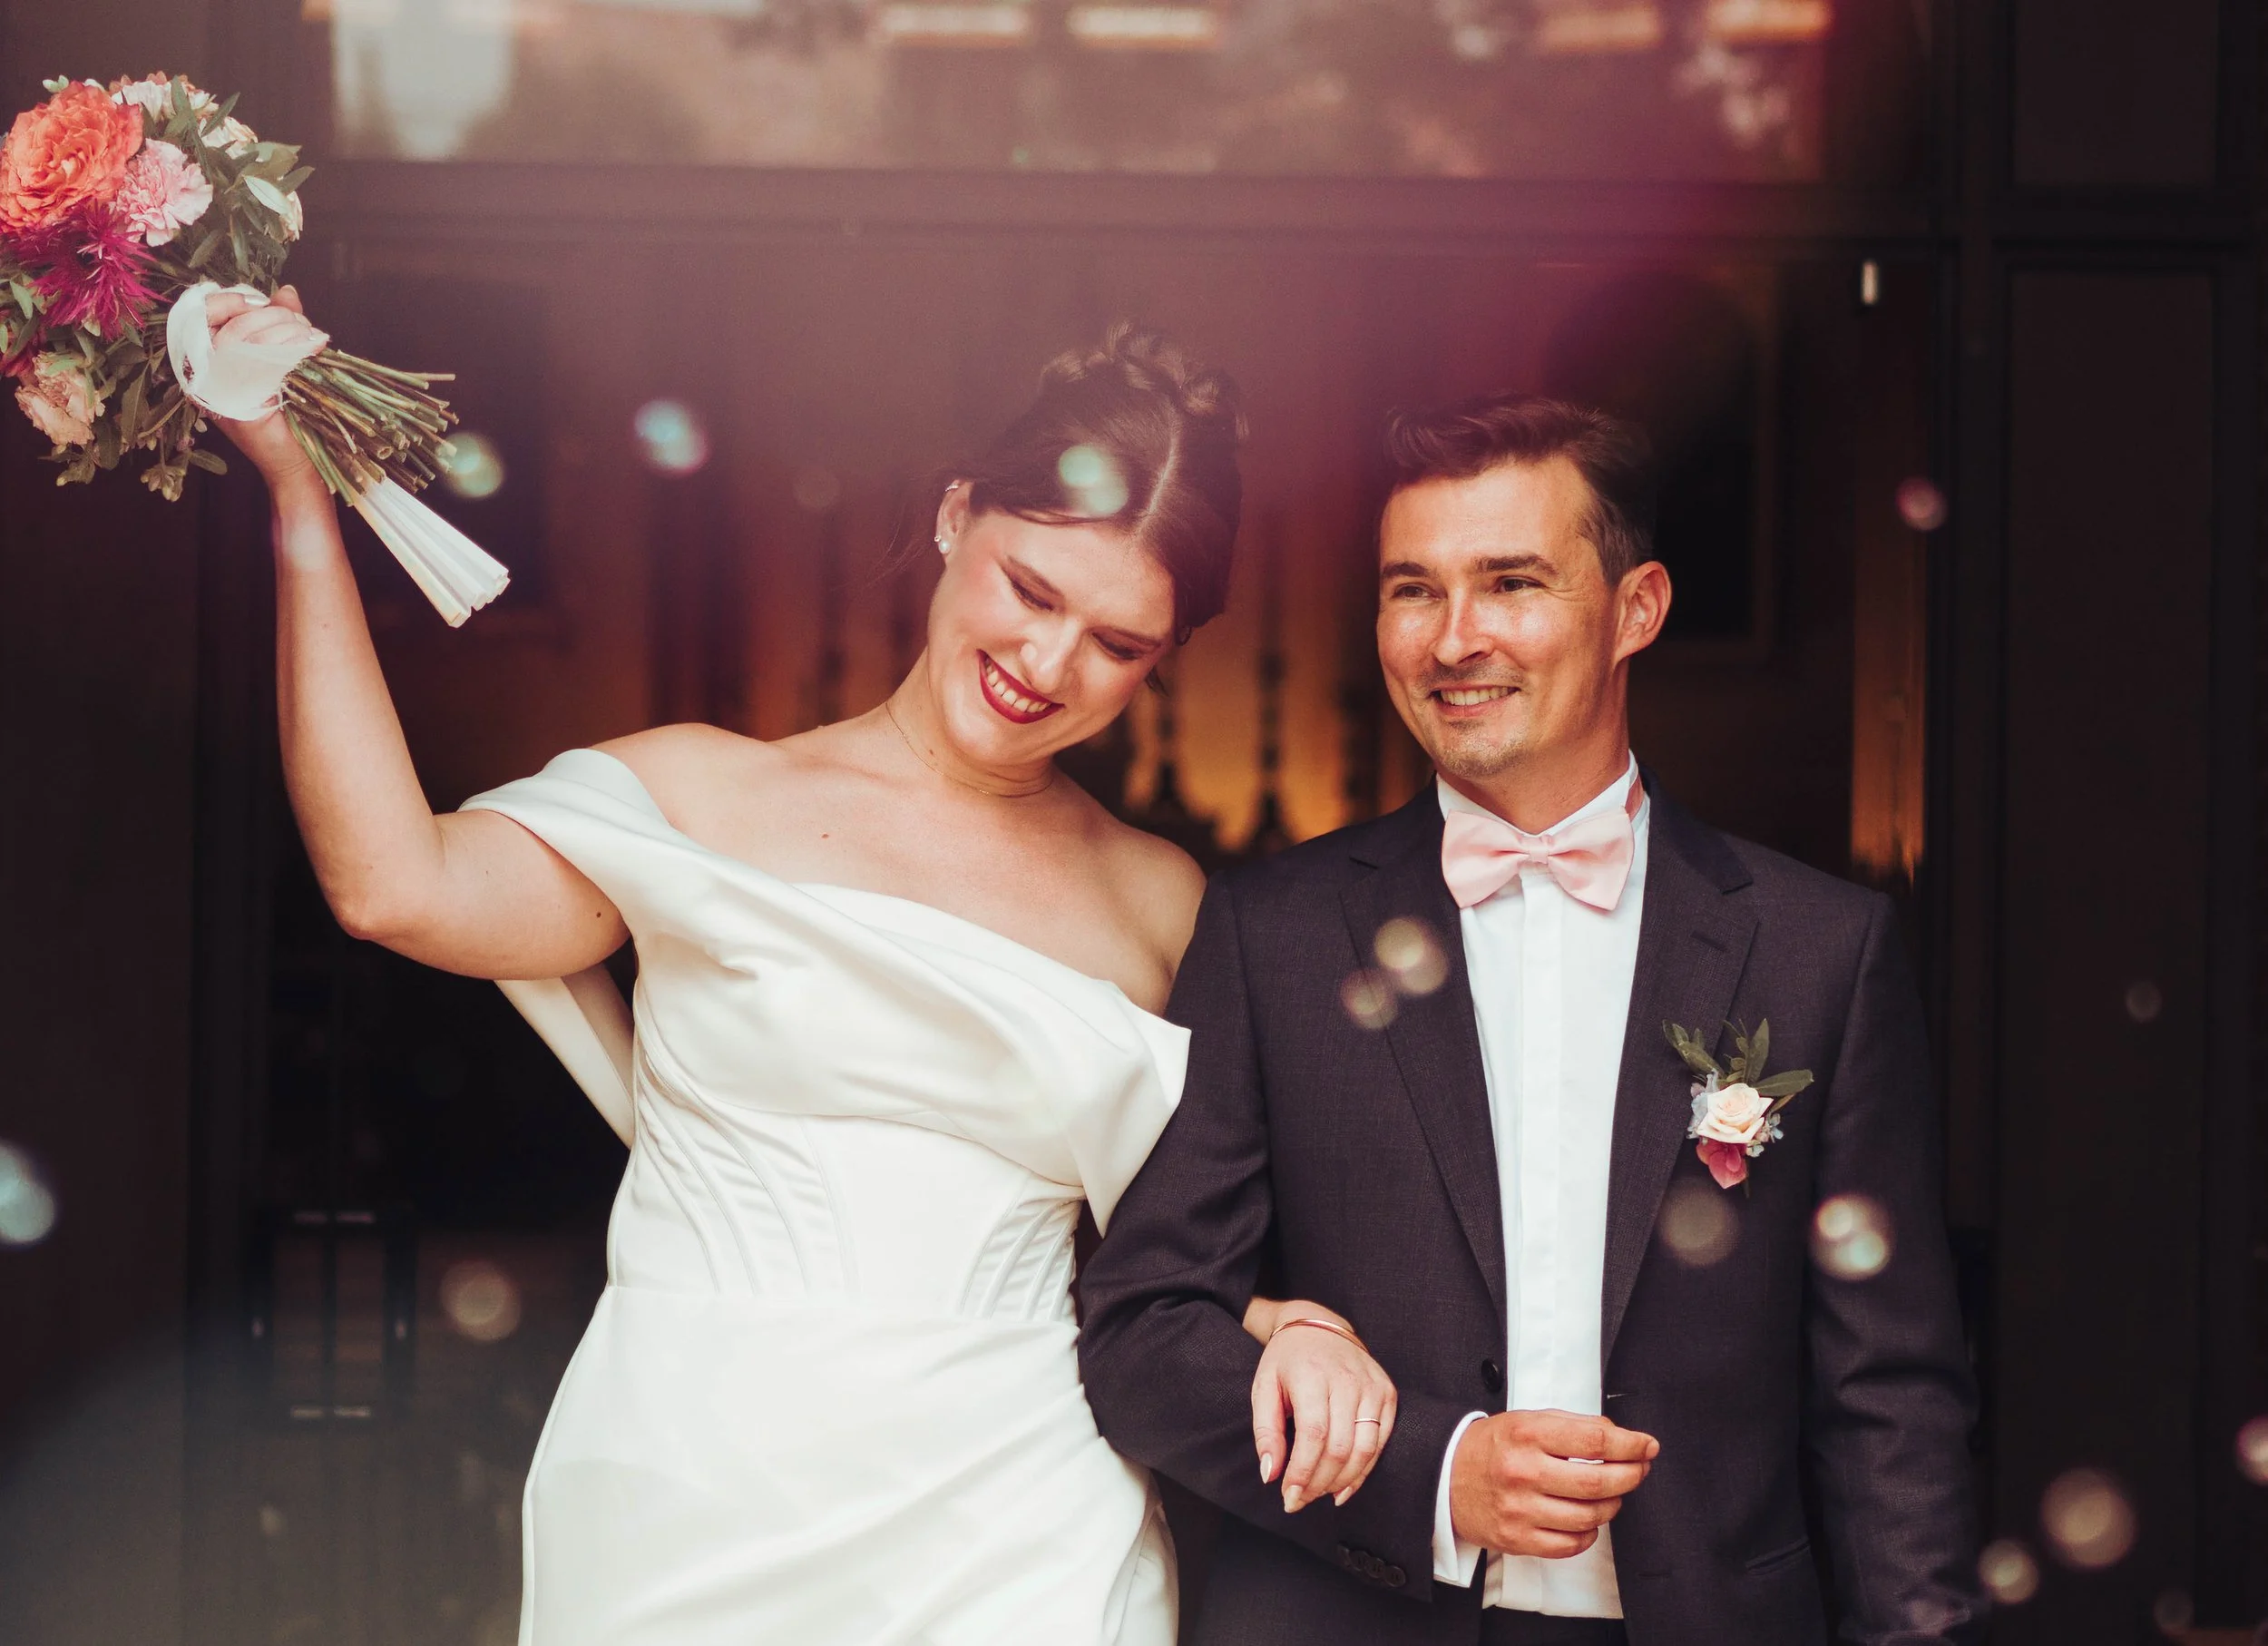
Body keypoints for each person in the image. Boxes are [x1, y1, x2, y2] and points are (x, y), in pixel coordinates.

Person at [213, 296, 1400, 1646]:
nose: (1049, 662)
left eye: (1119, 644)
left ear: (1167, 657)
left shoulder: (1164, 903)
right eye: (1031, 588)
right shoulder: (704, 792)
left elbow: (1187, 1250)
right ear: (957, 517)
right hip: (688, 1494)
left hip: (1025, 1524)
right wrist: (300, 505)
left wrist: (1300, 1324)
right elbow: (392, 883)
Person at [1079, 394, 1987, 1645]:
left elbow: (1888, 1400)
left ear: (1636, 608)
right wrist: (1434, 1473)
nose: (1456, 637)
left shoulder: (1819, 949)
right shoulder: (1271, 935)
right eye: (1414, 589)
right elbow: (1144, 1328)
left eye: (1511, 582)